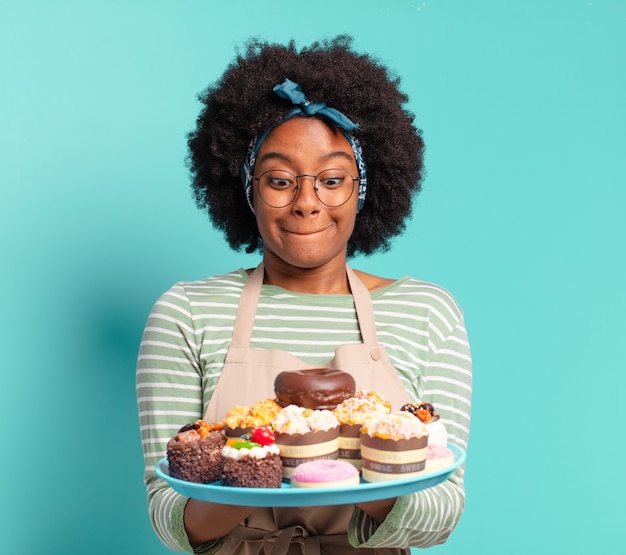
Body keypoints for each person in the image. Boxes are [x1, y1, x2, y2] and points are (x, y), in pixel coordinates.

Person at [136, 35, 472, 554]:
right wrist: (265, 454)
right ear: (246, 187)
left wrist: (359, 442)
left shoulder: (426, 310)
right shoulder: (187, 312)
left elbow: (441, 514)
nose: (307, 203)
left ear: (364, 187)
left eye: (333, 178)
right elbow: (170, 519)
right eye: (279, 179)